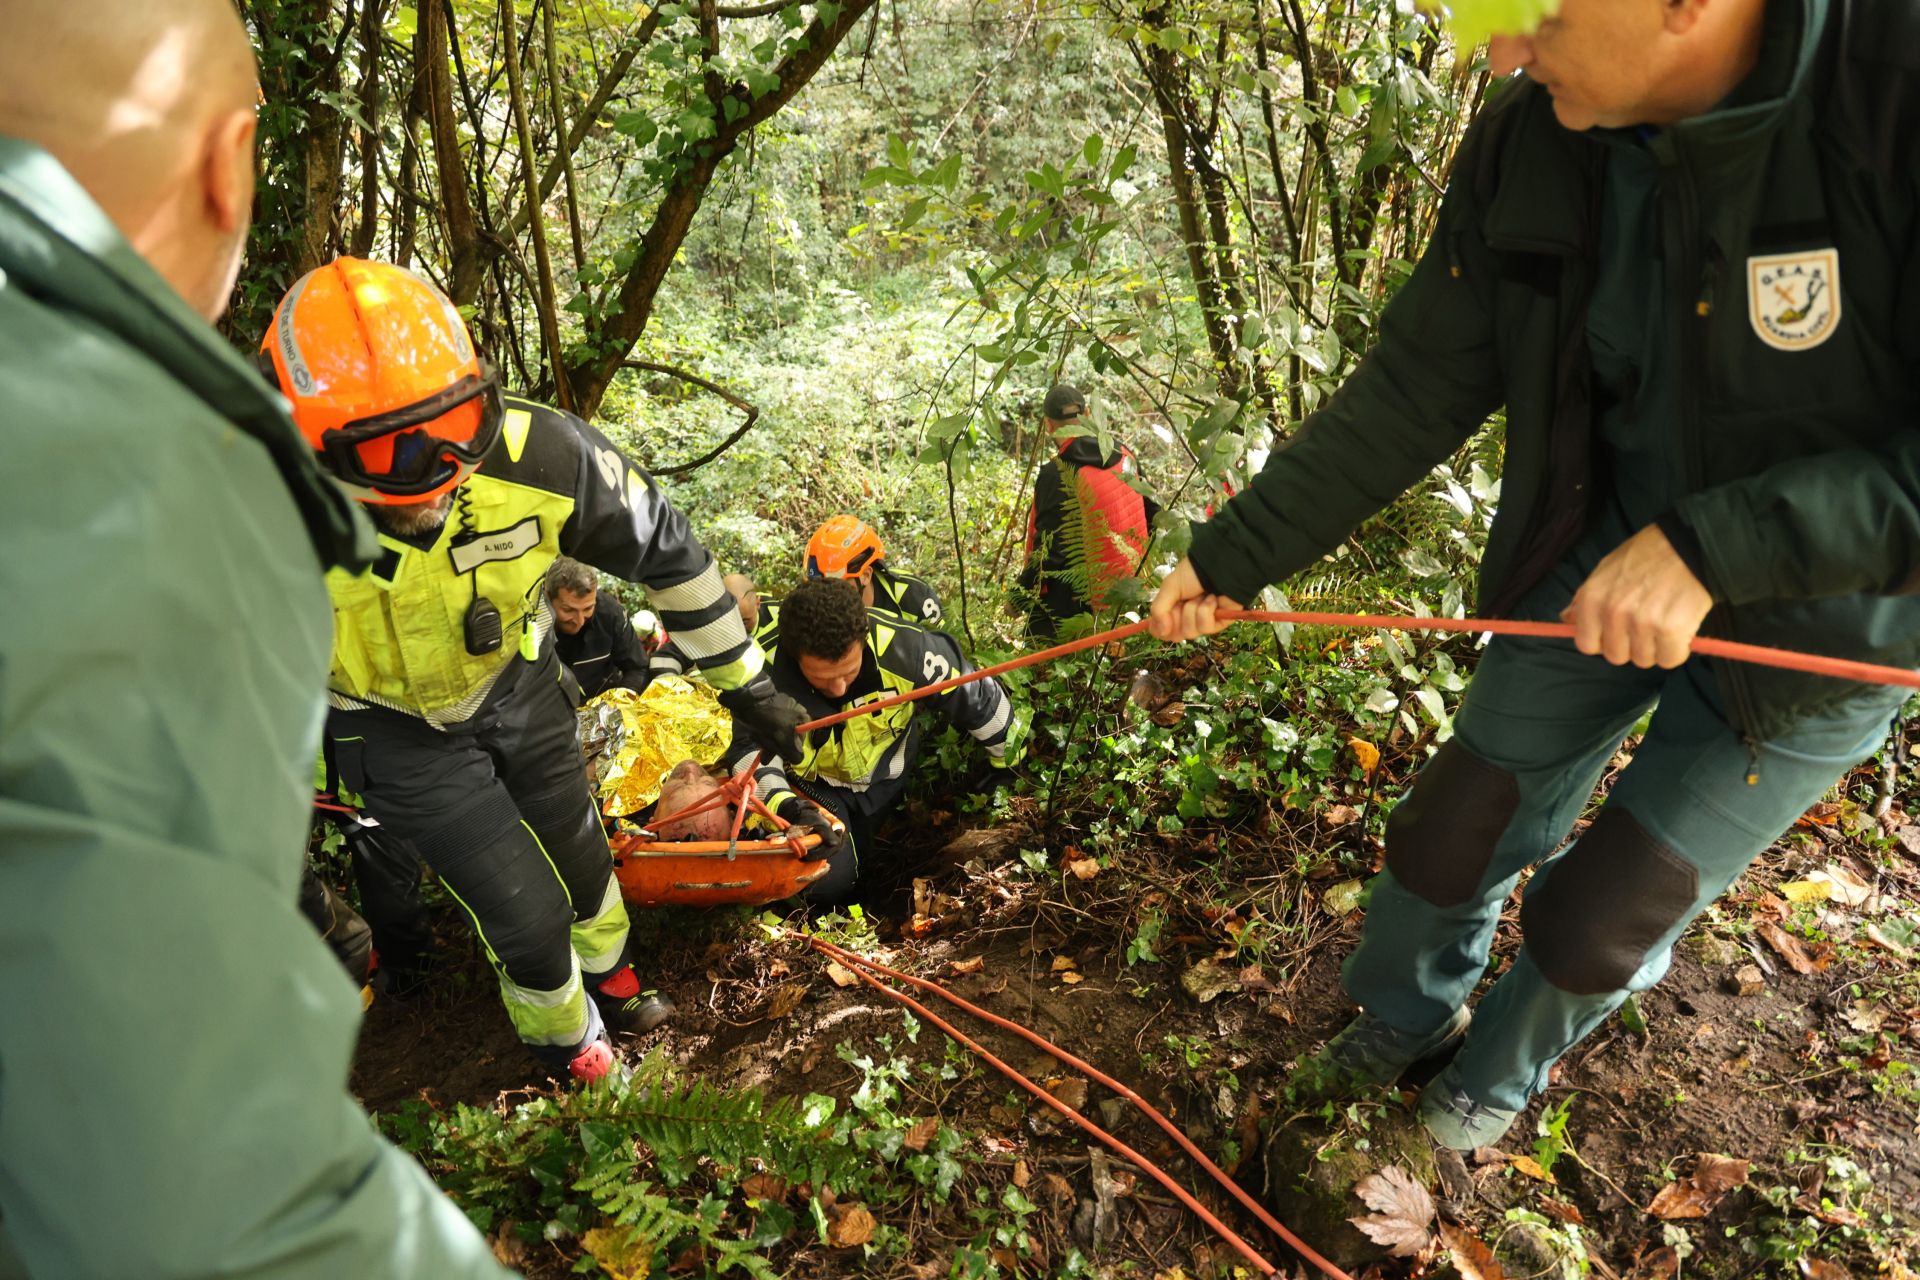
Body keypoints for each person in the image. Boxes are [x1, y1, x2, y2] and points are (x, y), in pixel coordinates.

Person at [1149, 0, 1920, 1152]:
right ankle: (1405, 1020)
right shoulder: (1542, 136)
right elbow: (1418, 382)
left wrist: (1721, 548)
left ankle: (1492, 1080)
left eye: (1537, 17)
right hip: (1605, 548)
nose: (1498, 53)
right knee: (1452, 829)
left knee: (1606, 915)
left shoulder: (1890, 94)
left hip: (1832, 634)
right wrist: (1233, 554)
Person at [0, 4, 510, 1276]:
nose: (434, 476)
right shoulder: (149, 478)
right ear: (230, 165)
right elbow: (204, 1195)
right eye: (399, 450)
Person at [261, 256, 807, 1083]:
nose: (442, 470)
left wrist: (750, 684)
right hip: (391, 728)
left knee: (585, 862)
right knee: (525, 911)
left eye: (455, 425)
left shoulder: (538, 453)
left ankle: (616, 979)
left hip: (520, 684)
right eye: (396, 453)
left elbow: (670, 551)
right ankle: (566, 1043)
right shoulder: (252, 516)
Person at [735, 579, 1019, 902]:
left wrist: (1009, 769)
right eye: (824, 679)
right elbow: (748, 752)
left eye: (849, 671)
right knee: (825, 882)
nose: (840, 688)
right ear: (795, 658)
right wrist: (788, 806)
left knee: (877, 853)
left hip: (889, 780)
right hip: (818, 791)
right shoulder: (764, 675)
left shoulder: (904, 649)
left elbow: (977, 696)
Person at [1021, 384, 1159, 637]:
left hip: (1087, 598)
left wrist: (1018, 597)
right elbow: (1154, 513)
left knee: (1035, 643)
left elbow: (1048, 550)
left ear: (1048, 425)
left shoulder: (1058, 473)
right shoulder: (1124, 452)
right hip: (1132, 588)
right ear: (1086, 413)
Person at [806, 513, 945, 624]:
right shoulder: (809, 610)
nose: (826, 596)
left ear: (865, 575)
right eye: (818, 587)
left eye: (836, 585)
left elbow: (946, 652)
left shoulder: (915, 597)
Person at [550, 556, 653, 699]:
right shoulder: (530, 622)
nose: (579, 621)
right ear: (548, 598)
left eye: (588, 608)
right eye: (568, 610)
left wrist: (617, 706)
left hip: (602, 702)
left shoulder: (611, 614)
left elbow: (638, 668)